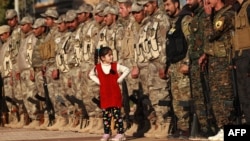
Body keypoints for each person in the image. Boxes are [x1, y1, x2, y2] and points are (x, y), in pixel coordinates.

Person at [202, 0, 235, 140]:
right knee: (216, 97)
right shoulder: (216, 16)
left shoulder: (226, 15)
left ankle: (231, 129)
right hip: (214, 61)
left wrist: (208, 17)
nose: (208, 1)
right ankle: (222, 128)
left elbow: (212, 34)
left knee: (225, 96)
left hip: (223, 62)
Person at [186, 0, 217, 139]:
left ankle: (213, 127)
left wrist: (205, 54)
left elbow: (209, 37)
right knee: (198, 98)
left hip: (204, 61)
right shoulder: (193, 17)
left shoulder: (205, 14)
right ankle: (205, 128)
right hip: (194, 62)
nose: (187, 1)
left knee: (208, 96)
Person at [164, 0, 193, 139]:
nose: (166, 8)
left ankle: (188, 129)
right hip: (174, 66)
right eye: (164, 5)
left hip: (182, 65)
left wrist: (187, 62)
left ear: (176, 4)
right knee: (176, 101)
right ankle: (181, 128)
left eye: (168, 4)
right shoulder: (173, 23)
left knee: (185, 99)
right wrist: (168, 66)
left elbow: (191, 42)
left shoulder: (185, 19)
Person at [89, 46, 130, 141]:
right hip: (105, 95)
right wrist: (99, 81)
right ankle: (107, 133)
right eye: (109, 55)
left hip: (115, 94)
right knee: (106, 115)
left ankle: (120, 133)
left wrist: (119, 79)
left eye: (112, 55)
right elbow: (90, 75)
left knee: (117, 115)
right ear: (103, 58)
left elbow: (127, 70)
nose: (111, 57)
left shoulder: (116, 66)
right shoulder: (97, 67)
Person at [232, 0, 250, 126]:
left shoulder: (249, 7)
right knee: (244, 97)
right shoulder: (237, 10)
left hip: (248, 56)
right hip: (240, 58)